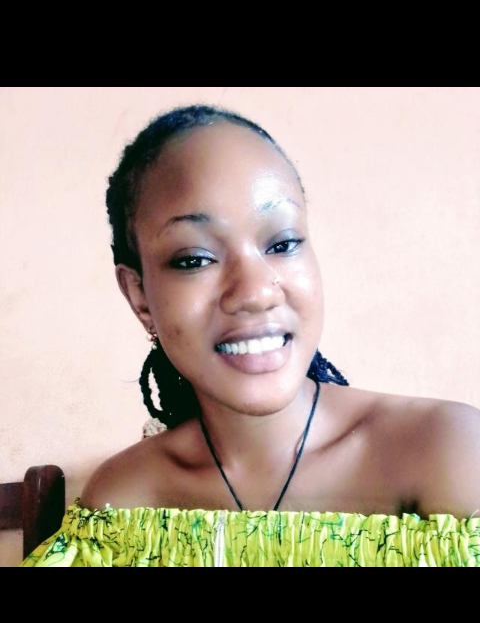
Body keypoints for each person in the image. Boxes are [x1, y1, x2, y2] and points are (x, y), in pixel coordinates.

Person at [21, 104, 480, 567]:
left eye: (282, 244)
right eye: (195, 259)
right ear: (140, 296)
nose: (256, 292)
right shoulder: (122, 508)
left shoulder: (449, 453)